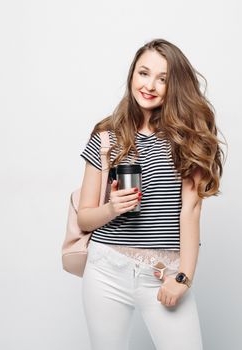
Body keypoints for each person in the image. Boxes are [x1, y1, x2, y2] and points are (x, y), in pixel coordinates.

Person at [77, 38, 224, 350]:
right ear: (132, 74)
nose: (150, 85)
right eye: (143, 73)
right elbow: (85, 217)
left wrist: (183, 276)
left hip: (162, 273)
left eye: (163, 79)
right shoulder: (106, 137)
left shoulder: (188, 139)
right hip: (105, 269)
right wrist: (112, 208)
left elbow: (191, 211)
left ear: (176, 86)